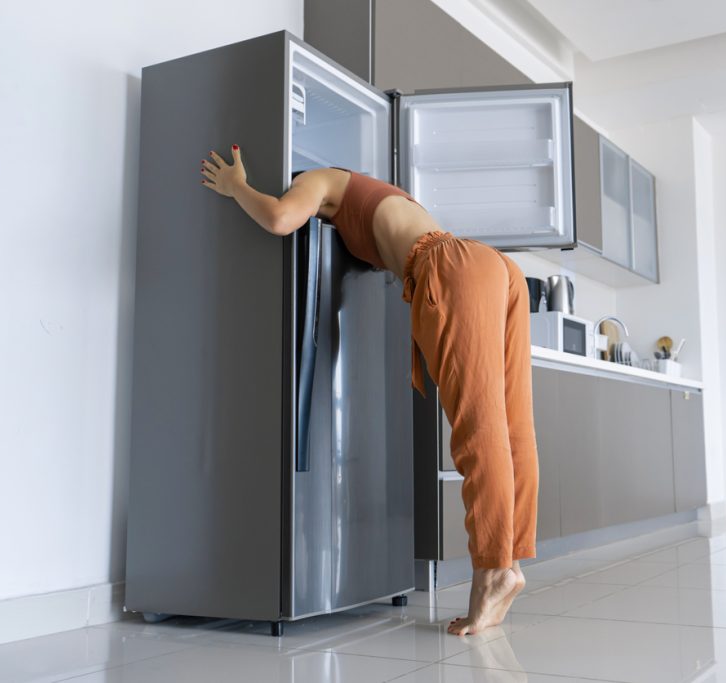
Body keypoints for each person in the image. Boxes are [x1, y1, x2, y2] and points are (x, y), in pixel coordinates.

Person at [199, 145, 539, 636]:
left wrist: (236, 187)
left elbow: (278, 219)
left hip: (454, 269)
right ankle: (511, 563)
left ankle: (492, 572)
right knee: (512, 426)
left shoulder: (318, 179)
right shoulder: (382, 196)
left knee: (478, 426)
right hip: (497, 269)